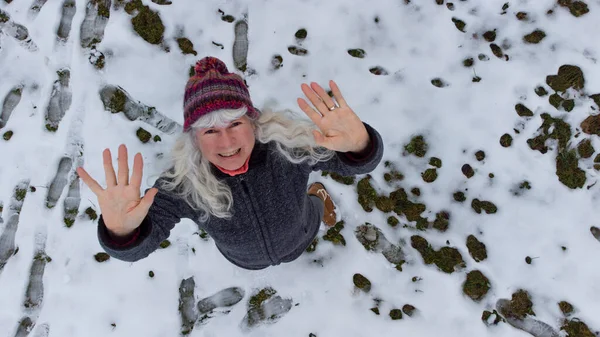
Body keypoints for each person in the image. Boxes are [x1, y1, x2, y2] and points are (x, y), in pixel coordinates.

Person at [76, 56, 384, 270]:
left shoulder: (286, 147)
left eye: (235, 124)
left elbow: (353, 163)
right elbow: (143, 244)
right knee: (267, 255)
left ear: (253, 121)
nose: (227, 143)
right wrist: (121, 233)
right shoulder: (183, 185)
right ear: (194, 138)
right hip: (244, 258)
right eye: (210, 130)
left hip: (303, 228)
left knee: (312, 209)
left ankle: (317, 200)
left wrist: (360, 145)